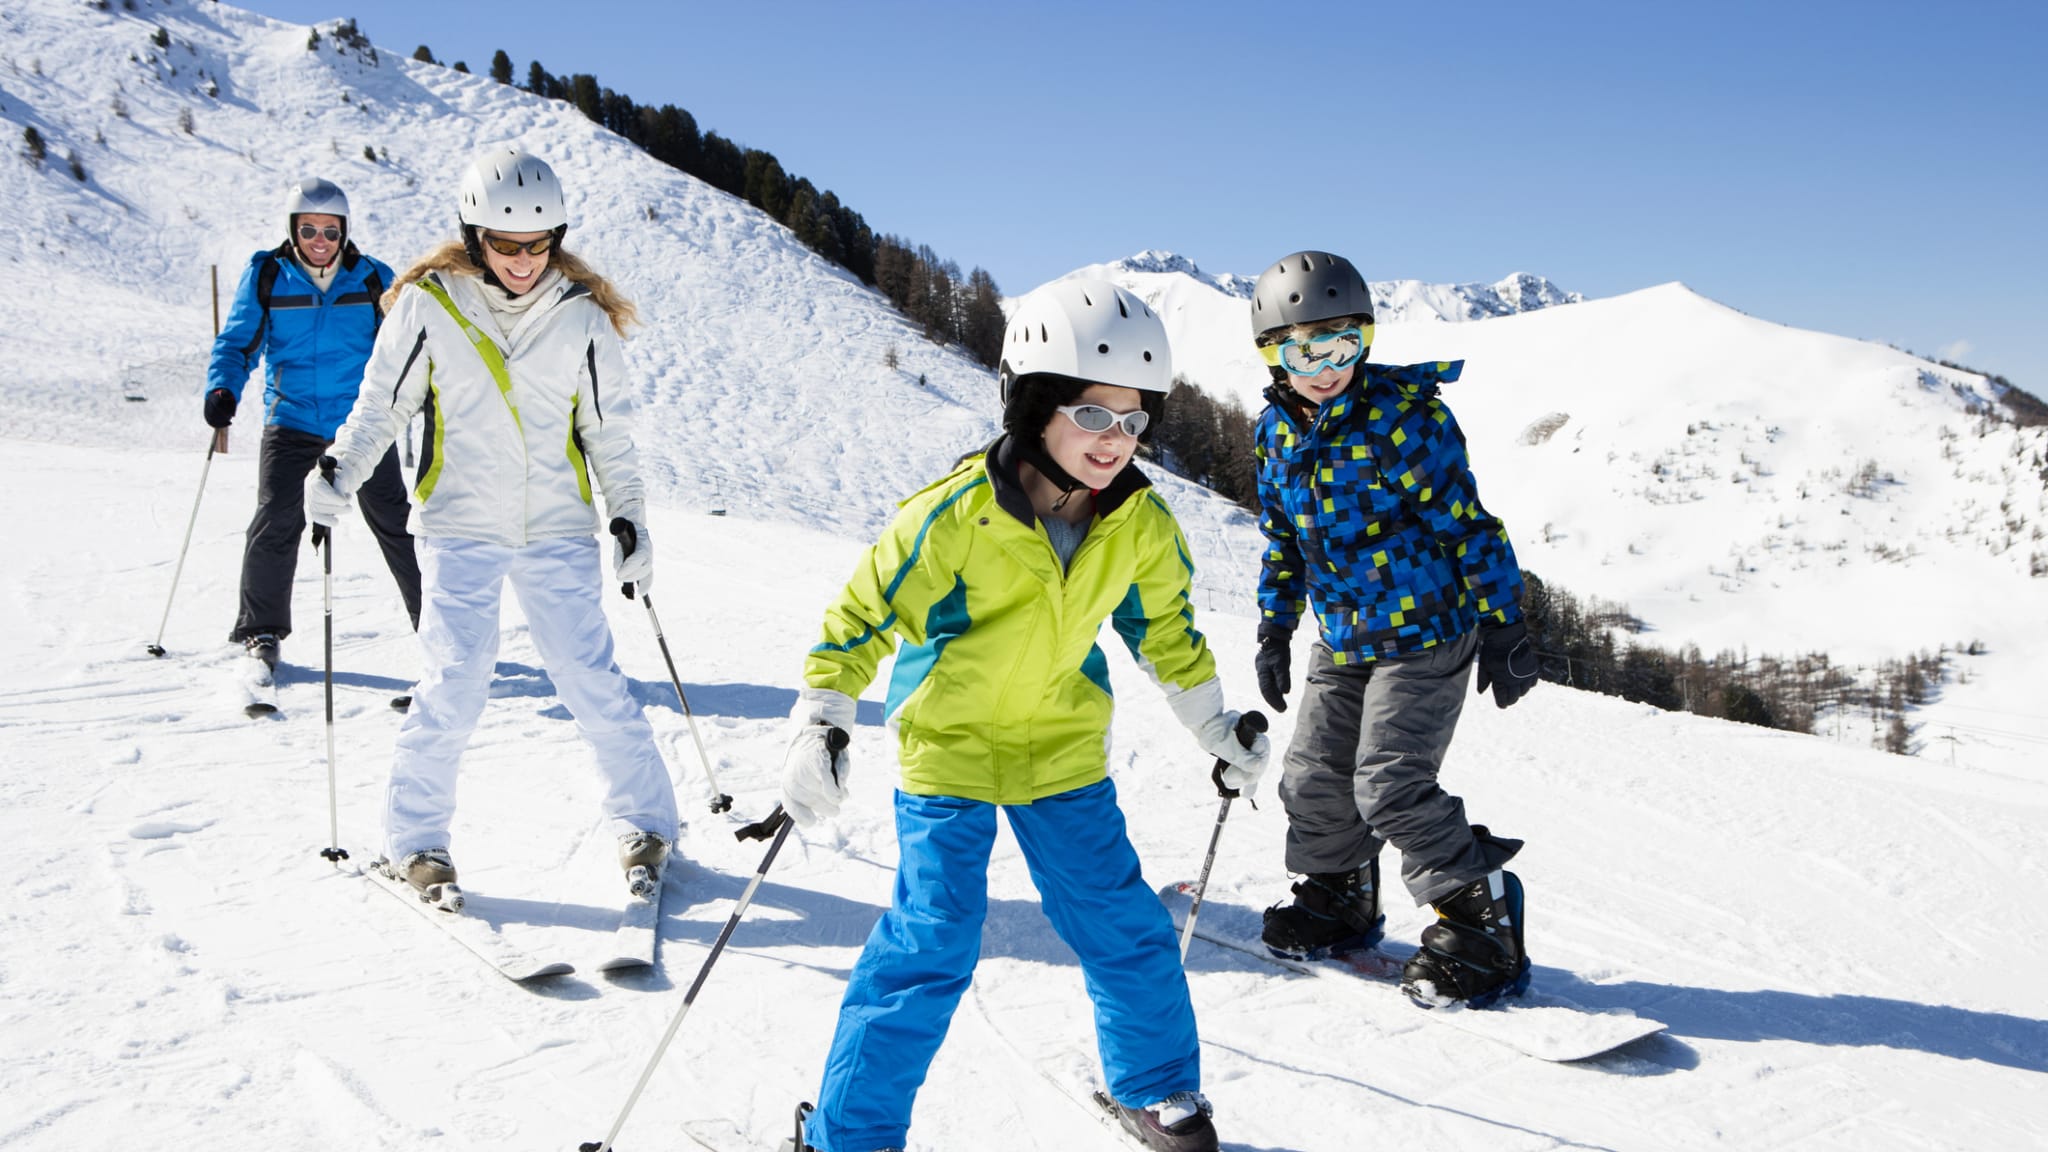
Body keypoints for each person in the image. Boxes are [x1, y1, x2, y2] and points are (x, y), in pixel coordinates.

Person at [778, 279, 1269, 1152]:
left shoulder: (1143, 524)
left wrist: (1213, 726)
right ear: (1031, 405)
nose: (1116, 440)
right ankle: (849, 1135)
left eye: (1134, 419)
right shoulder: (953, 515)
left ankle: (1157, 1090)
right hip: (950, 750)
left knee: (1125, 927)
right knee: (930, 946)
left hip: (1061, 752)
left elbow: (1166, 631)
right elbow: (861, 618)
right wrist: (822, 722)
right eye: (1092, 413)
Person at [306, 147, 678, 903]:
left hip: (555, 528)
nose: (522, 260)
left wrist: (629, 520)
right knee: (454, 681)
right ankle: (416, 842)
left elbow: (610, 434)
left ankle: (645, 825)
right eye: (506, 245)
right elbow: (384, 406)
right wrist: (341, 470)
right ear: (475, 235)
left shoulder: (580, 315)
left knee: (590, 678)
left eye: (538, 244)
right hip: (459, 524)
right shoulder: (430, 303)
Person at [1246, 250, 1541, 1008]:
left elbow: (1469, 525)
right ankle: (1341, 897)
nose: (1325, 366)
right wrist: (1274, 627)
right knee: (1312, 779)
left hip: (1426, 634)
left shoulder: (1403, 418)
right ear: (1271, 352)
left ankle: (1484, 925)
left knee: (1391, 786)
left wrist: (1505, 625)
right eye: (1304, 348)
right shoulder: (1274, 436)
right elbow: (1284, 539)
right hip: (1343, 637)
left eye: (1343, 343)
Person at [206, 177, 421, 671]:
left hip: (361, 423)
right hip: (293, 417)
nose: (320, 241)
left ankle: (437, 624)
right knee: (276, 519)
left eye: (330, 231)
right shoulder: (268, 275)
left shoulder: (372, 279)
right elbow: (239, 342)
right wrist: (223, 388)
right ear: (292, 230)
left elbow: (404, 348)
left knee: (395, 520)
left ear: (344, 232)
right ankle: (261, 630)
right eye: (309, 230)